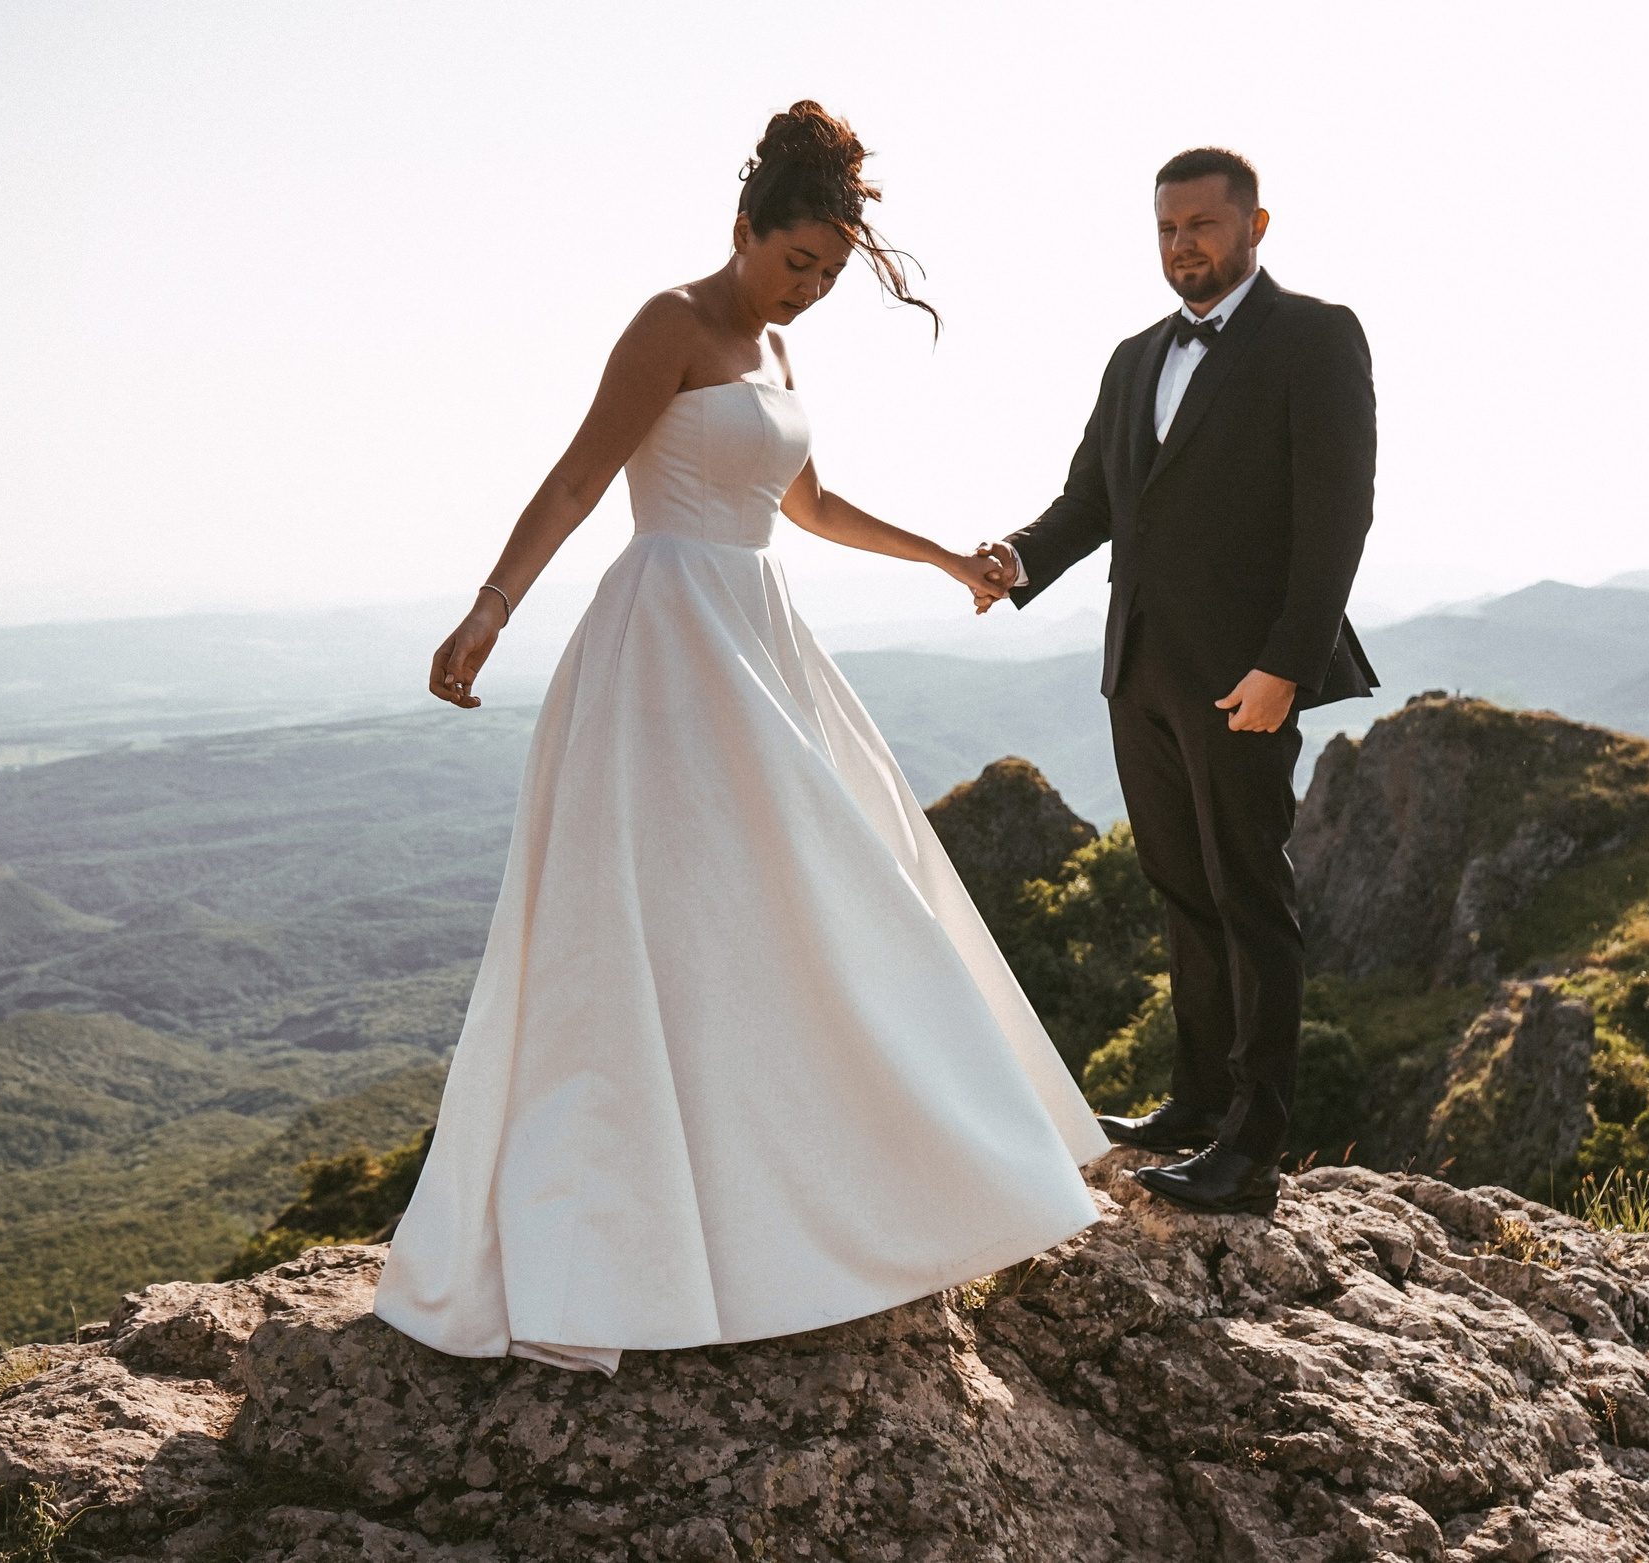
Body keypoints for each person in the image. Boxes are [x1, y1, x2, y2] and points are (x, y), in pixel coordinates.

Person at [376, 102, 1108, 1373]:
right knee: (660, 922)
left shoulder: (776, 352)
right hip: (665, 639)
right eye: (795, 263)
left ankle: (826, 1198)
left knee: (817, 897)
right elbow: (575, 477)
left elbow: (805, 502)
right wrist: (490, 611)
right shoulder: (669, 323)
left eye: (829, 273)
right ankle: (634, 1235)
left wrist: (942, 556)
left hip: (759, 631)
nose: (811, 289)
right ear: (742, 228)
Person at [972, 147, 1376, 1219]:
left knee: (1250, 897)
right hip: (1138, 669)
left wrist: (1285, 664)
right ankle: (1195, 1104)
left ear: (1255, 225)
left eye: (1201, 224)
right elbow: (1089, 502)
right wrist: (1014, 559)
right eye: (1166, 228)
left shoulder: (1315, 336)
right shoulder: (1132, 357)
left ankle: (1253, 1147)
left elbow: (1338, 515)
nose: (1183, 244)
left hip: (1246, 677)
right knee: (1181, 890)